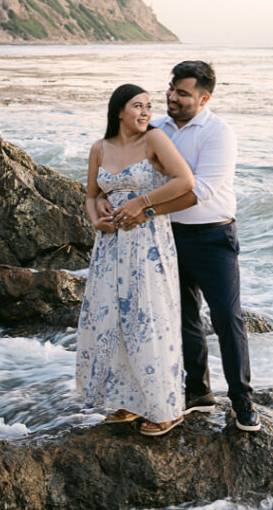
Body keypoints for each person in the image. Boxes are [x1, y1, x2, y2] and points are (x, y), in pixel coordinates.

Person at [108, 61, 260, 432]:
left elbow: (200, 191)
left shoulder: (218, 134)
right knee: (181, 317)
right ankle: (197, 392)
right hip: (164, 237)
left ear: (204, 98)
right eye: (171, 89)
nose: (171, 97)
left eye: (182, 93)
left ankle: (241, 399)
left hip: (212, 237)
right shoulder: (155, 127)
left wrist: (144, 208)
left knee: (227, 317)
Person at [76, 83, 195, 437]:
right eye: (137, 106)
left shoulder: (155, 141)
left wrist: (142, 203)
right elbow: (91, 196)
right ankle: (127, 401)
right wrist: (96, 217)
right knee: (112, 318)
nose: (145, 113)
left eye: (148, 106)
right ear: (119, 112)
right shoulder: (100, 148)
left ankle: (167, 407)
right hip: (110, 246)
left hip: (148, 243)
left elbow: (185, 181)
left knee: (149, 318)